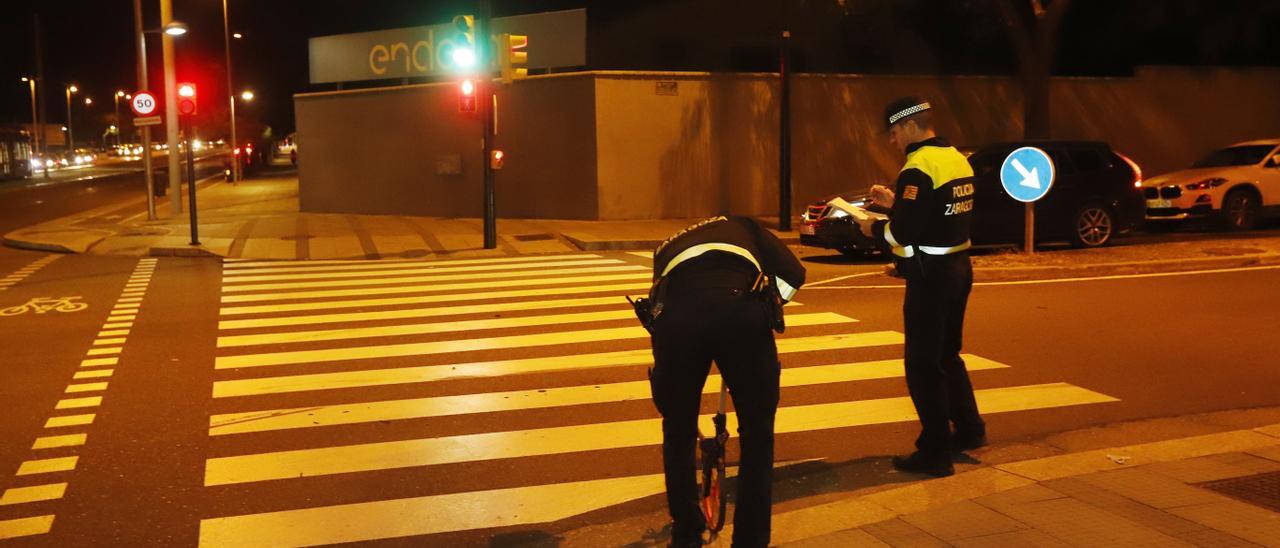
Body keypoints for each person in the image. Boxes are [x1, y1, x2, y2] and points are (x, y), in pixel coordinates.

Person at [645, 215, 805, 547]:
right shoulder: (746, 225)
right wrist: (772, 302)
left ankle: (687, 531)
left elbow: (659, 300)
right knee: (757, 432)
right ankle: (750, 539)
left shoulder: (665, 246)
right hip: (739, 311)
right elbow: (794, 273)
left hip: (678, 319)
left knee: (677, 429)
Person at [854, 96, 986, 478]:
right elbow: (938, 214)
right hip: (959, 266)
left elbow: (903, 233)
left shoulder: (918, 167)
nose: (893, 142)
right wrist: (895, 202)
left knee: (922, 364)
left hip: (932, 277)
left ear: (910, 127)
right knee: (948, 354)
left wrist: (873, 226)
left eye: (894, 134)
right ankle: (970, 429)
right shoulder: (956, 158)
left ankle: (935, 452)